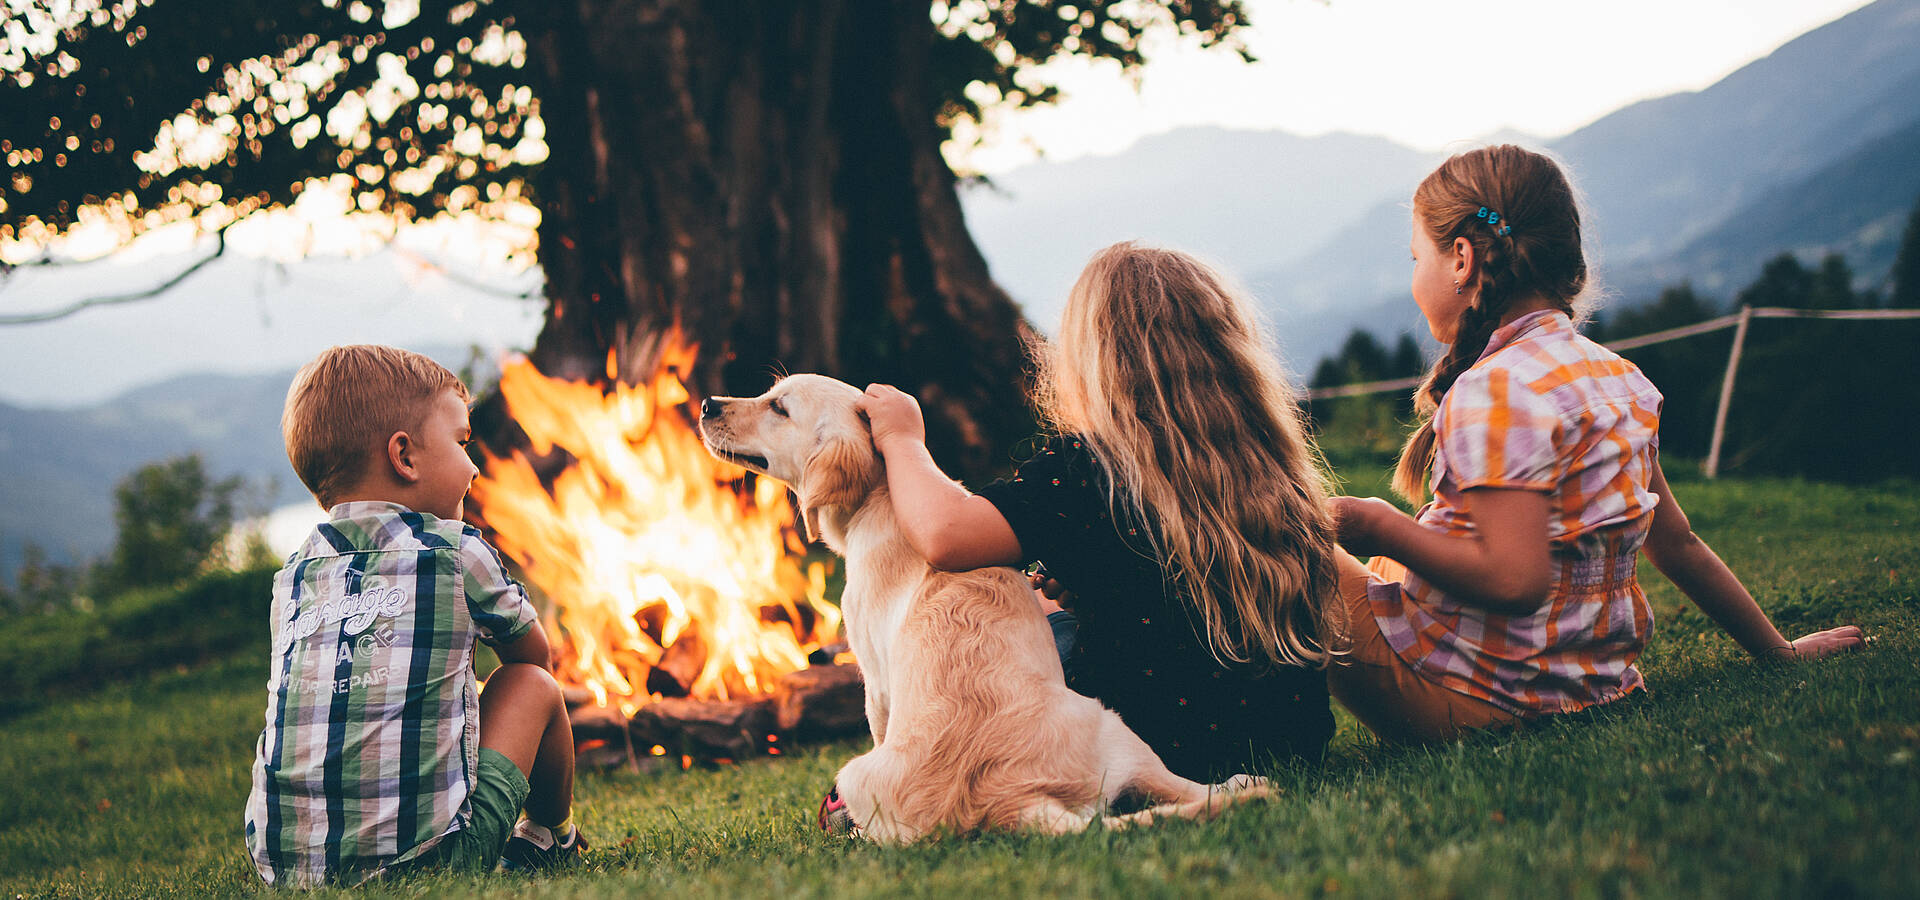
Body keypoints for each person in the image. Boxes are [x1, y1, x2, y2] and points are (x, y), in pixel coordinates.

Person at [1326, 144, 1864, 744]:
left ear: (1461, 259)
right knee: (1387, 565)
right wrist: (1778, 651)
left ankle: (1256, 734)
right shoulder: (1619, 381)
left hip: (1473, 703)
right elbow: (1678, 543)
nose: (1413, 279)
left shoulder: (1492, 391)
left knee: (1292, 551)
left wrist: (1375, 523)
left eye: (1415, 257)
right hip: (1582, 692)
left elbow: (1514, 581)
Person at [855, 242, 1343, 782]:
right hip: (1291, 743)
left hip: (1149, 748)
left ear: (1094, 360)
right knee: (1048, 608)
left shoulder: (1090, 469)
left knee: (1011, 637)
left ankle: (907, 771)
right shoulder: (1269, 459)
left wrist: (903, 440)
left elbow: (945, 534)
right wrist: (1094, 589)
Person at [244, 345, 584, 885]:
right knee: (532, 685)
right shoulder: (455, 550)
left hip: (285, 867)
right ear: (404, 456)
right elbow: (533, 655)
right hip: (435, 858)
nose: (473, 465)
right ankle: (551, 833)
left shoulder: (293, 576)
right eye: (461, 442)